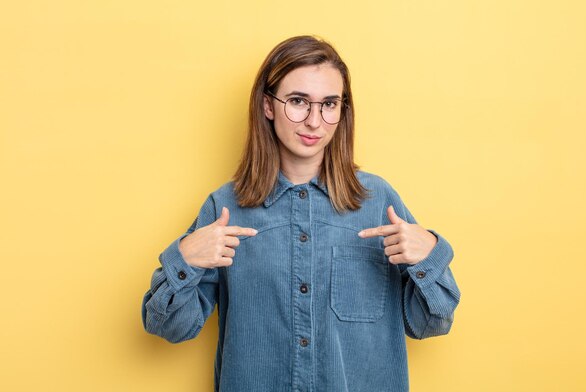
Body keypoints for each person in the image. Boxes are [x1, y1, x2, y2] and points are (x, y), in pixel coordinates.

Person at [142, 35, 461, 392]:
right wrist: (185, 259)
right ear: (268, 105)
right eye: (297, 102)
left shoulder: (377, 201)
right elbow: (170, 327)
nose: (314, 121)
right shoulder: (225, 208)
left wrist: (430, 258)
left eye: (329, 104)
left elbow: (429, 324)